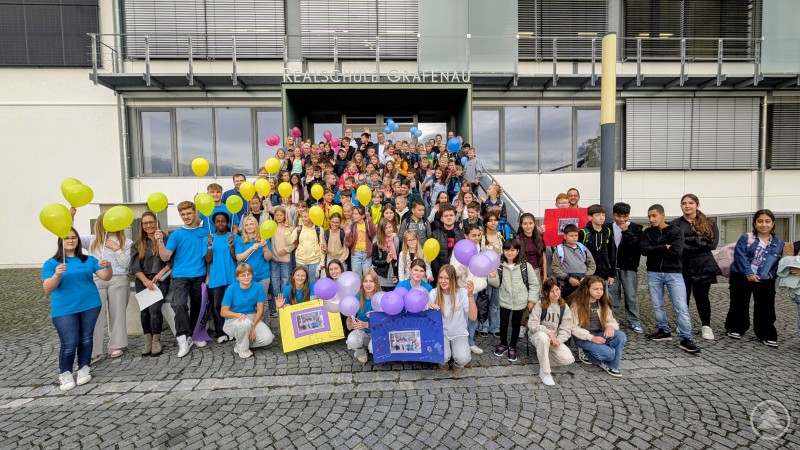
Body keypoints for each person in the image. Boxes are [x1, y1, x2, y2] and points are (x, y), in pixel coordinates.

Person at [42, 228, 112, 391]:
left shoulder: (88, 259)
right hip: (64, 309)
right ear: (61, 241)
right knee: (69, 342)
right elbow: (48, 287)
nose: (70, 240)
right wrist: (57, 275)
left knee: (87, 338)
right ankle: (65, 373)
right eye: (66, 238)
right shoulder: (52, 263)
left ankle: (83, 368)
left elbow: (105, 276)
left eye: (73, 237)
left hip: (90, 304)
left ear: (78, 241)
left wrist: (107, 267)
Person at [640, 204, 699, 353]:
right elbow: (644, 250)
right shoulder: (647, 232)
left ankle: (686, 338)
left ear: (662, 215)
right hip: (653, 272)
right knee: (656, 304)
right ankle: (663, 330)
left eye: (654, 216)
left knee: (680, 306)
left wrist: (656, 249)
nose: (651, 219)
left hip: (674, 273)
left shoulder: (676, 231)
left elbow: (677, 251)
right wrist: (663, 247)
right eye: (649, 217)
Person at [725, 210, 785, 347]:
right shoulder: (746, 238)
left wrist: (770, 275)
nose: (764, 224)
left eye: (767, 221)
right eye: (760, 221)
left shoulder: (778, 243)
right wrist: (749, 273)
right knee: (739, 303)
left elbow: (778, 263)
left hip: (765, 279)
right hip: (741, 275)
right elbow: (740, 257)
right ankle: (736, 328)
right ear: (754, 223)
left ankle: (766, 333)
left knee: (766, 307)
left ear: (773, 223)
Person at [156, 201, 208, 358]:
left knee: (198, 306)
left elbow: (208, 256)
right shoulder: (176, 235)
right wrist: (159, 241)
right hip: (180, 276)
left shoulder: (204, 232)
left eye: (189, 213)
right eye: (183, 214)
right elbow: (165, 256)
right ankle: (183, 338)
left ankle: (196, 335)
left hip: (199, 274)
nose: (186, 217)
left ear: (195, 213)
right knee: (179, 305)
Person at [80, 212, 133, 361]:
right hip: (97, 279)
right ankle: (94, 350)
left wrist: (116, 249)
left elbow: (126, 264)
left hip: (119, 278)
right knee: (94, 314)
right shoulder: (92, 240)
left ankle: (116, 344)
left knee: (117, 313)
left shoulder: (127, 242)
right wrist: (70, 217)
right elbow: (70, 237)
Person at [672, 194, 721, 340]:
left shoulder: (709, 222)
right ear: (681, 206)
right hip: (682, 265)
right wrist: (698, 241)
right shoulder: (675, 224)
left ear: (697, 205)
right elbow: (676, 245)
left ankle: (706, 326)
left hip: (703, 265)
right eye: (684, 203)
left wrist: (687, 242)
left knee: (702, 297)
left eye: (691, 203)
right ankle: (683, 324)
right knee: (683, 297)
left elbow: (712, 245)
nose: (687, 206)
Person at [488, 239, 541, 363]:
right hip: (504, 300)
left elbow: (534, 284)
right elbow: (496, 284)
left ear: (517, 251)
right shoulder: (499, 265)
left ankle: (513, 346)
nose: (509, 253)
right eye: (506, 250)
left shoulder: (525, 266)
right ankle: (503, 344)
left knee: (516, 324)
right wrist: (492, 276)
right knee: (504, 324)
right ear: (503, 251)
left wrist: (532, 300)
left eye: (512, 250)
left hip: (520, 301)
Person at [130, 211, 171, 356]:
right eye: (145, 223)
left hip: (160, 279)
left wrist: (160, 274)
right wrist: (145, 281)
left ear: (156, 222)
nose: (149, 225)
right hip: (143, 280)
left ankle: (156, 340)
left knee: (154, 309)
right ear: (142, 225)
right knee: (145, 311)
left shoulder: (165, 239)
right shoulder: (137, 243)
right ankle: (148, 339)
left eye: (151, 222)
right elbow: (135, 266)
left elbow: (171, 261)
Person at [568, 276, 626, 377]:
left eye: (601, 289)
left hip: (600, 334)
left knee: (621, 335)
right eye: (595, 289)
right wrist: (592, 338)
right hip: (584, 338)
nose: (599, 292)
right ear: (587, 289)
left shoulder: (603, 303)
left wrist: (610, 327)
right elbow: (573, 327)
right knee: (609, 354)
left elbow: (611, 319)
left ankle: (612, 366)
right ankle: (586, 352)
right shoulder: (577, 304)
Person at [428, 265, 478, 372]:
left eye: (447, 278)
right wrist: (430, 308)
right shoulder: (434, 293)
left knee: (462, 358)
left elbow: (473, 317)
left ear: (453, 279)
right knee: (443, 356)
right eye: (441, 278)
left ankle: (457, 363)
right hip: (441, 333)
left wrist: (470, 296)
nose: (443, 281)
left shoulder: (462, 293)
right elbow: (424, 315)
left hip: (458, 332)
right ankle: (445, 361)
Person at [220, 264, 274, 359]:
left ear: (252, 275)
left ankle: (240, 344)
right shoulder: (231, 288)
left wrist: (253, 328)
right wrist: (237, 315)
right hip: (233, 320)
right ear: (237, 277)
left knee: (268, 338)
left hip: (252, 317)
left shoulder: (258, 287)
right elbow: (223, 312)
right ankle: (243, 350)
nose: (246, 277)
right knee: (245, 323)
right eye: (242, 275)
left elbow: (260, 310)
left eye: (248, 274)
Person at [528, 277, 575, 386]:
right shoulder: (540, 304)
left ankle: (543, 355)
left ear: (560, 289)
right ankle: (545, 372)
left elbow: (566, 329)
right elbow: (532, 324)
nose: (555, 293)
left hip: (554, 340)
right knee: (542, 337)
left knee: (568, 359)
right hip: (538, 336)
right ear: (546, 292)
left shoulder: (564, 307)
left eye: (557, 290)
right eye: (552, 291)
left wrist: (558, 340)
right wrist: (549, 333)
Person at [450, 224, 488, 354]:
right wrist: (464, 265)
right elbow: (453, 270)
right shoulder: (460, 249)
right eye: (474, 235)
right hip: (462, 289)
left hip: (475, 288)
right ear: (466, 235)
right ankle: (461, 345)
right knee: (463, 319)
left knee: (473, 317)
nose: (477, 238)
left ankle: (470, 342)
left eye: (478, 235)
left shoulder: (479, 247)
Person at [607, 202, 644, 334]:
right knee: (613, 296)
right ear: (613, 215)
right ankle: (614, 320)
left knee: (631, 295)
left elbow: (636, 245)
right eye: (618, 216)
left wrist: (626, 231)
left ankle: (634, 321)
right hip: (612, 269)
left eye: (625, 216)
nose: (622, 220)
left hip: (629, 266)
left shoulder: (636, 228)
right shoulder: (608, 228)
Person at [205, 212, 236, 343]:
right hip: (216, 277)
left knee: (232, 305)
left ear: (227, 222)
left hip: (232, 276)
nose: (220, 223)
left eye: (223, 221)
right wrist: (210, 246)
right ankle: (221, 333)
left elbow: (236, 258)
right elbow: (208, 259)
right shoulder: (210, 238)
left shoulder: (233, 237)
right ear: (214, 223)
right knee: (217, 305)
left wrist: (231, 245)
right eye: (218, 221)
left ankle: (232, 331)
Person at [235, 216, 273, 319]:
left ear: (256, 225)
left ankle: (266, 327)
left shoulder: (263, 238)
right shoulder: (240, 240)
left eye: (251, 224)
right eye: (246, 225)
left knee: (263, 302)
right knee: (250, 302)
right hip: (247, 276)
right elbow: (239, 258)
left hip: (263, 275)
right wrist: (251, 248)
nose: (249, 226)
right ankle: (253, 328)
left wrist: (265, 247)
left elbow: (268, 258)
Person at [551, 224, 596, 300]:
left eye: (576, 235)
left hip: (582, 283)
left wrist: (586, 276)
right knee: (567, 305)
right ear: (565, 236)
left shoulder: (583, 248)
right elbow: (555, 268)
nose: (574, 237)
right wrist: (568, 278)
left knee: (582, 305)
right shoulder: (559, 250)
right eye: (571, 236)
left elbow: (592, 265)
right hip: (566, 285)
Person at [578, 205, 616, 290]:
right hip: (588, 274)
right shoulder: (584, 233)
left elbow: (612, 253)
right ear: (590, 217)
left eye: (603, 215)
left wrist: (612, 274)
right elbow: (579, 254)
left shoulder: (607, 232)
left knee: (603, 298)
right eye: (598, 215)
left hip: (605, 273)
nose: (601, 218)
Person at [346, 270, 379, 364]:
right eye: (365, 281)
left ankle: (370, 348)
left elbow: (385, 323)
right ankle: (361, 352)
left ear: (376, 283)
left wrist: (366, 324)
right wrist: (349, 317)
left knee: (373, 349)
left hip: (377, 333)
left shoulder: (381, 298)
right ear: (362, 283)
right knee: (351, 340)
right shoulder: (356, 298)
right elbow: (349, 327)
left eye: (371, 281)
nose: (368, 284)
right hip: (363, 334)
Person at [288, 208, 325, 284]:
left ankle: (312, 296)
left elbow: (322, 247)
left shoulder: (319, 229)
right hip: (300, 261)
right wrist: (287, 230)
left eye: (305, 217)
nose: (303, 219)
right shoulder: (299, 228)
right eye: (302, 216)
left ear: (311, 217)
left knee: (313, 283)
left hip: (314, 261)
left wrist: (322, 262)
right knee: (301, 283)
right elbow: (289, 241)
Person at [269, 206, 294, 314]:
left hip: (285, 260)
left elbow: (294, 243)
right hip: (274, 259)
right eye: (277, 215)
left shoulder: (289, 228)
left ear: (285, 216)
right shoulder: (271, 227)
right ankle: (275, 308)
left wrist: (286, 249)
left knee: (285, 283)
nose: (279, 217)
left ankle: (284, 306)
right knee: (275, 284)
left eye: (281, 215)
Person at [430, 204, 465, 277]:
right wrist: (440, 273)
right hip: (440, 274)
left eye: (451, 215)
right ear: (441, 219)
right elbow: (433, 258)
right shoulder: (435, 234)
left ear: (455, 217)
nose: (449, 218)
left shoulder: (462, 234)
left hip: (458, 274)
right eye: (446, 216)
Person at [344, 206, 377, 277]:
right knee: (356, 276)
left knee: (367, 275)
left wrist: (369, 220)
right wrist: (347, 235)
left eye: (356, 214)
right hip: (355, 254)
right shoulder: (352, 226)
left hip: (367, 254)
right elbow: (348, 244)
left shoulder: (367, 224)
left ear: (362, 215)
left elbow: (373, 232)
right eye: (353, 214)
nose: (354, 216)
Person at [372, 218, 399, 292]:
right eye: (386, 228)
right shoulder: (377, 244)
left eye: (390, 227)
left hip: (394, 277)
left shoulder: (397, 241)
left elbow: (399, 260)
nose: (389, 230)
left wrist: (397, 276)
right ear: (381, 230)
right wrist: (385, 261)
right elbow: (374, 261)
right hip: (382, 277)